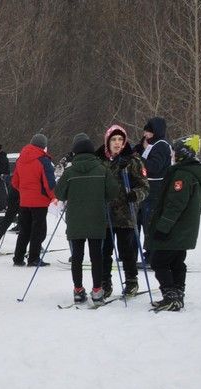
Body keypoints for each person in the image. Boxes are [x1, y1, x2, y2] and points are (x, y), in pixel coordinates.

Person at [56, 133, 120, 305]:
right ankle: (97, 290)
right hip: (96, 218)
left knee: (76, 256)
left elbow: (59, 193)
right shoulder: (102, 170)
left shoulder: (69, 172)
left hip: (75, 220)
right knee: (96, 256)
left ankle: (78, 290)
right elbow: (114, 192)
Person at [145, 135, 201, 312]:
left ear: (183, 154)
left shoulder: (183, 175)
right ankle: (177, 294)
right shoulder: (189, 172)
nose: (172, 155)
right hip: (183, 230)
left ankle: (171, 294)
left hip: (175, 230)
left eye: (175, 152)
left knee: (158, 261)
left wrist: (162, 228)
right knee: (177, 262)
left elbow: (175, 205)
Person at [98, 124, 147, 297]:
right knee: (104, 252)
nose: (117, 143)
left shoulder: (132, 160)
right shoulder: (100, 161)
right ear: (108, 141)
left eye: (120, 139)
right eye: (114, 139)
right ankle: (105, 283)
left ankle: (131, 282)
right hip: (105, 216)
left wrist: (135, 194)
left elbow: (144, 186)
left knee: (127, 251)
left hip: (126, 215)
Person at [11, 133, 56, 267]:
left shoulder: (20, 159)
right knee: (37, 230)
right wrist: (54, 196)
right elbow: (49, 183)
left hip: (24, 200)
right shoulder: (43, 160)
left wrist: (24, 192)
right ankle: (33, 258)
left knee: (24, 230)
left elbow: (15, 182)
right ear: (44, 146)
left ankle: (18, 258)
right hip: (40, 201)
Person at [135, 117, 172, 243]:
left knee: (149, 222)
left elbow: (154, 167)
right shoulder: (152, 144)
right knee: (142, 220)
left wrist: (138, 159)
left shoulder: (161, 145)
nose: (145, 135)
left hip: (155, 190)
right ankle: (143, 251)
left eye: (147, 132)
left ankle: (150, 253)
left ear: (155, 131)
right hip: (147, 189)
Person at [0, 144, 11, 210]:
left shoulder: (2, 157)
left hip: (3, 177)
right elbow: (2, 167)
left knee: (2, 193)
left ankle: (2, 207)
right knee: (1, 192)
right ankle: (1, 206)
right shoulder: (1, 157)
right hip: (3, 176)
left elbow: (2, 168)